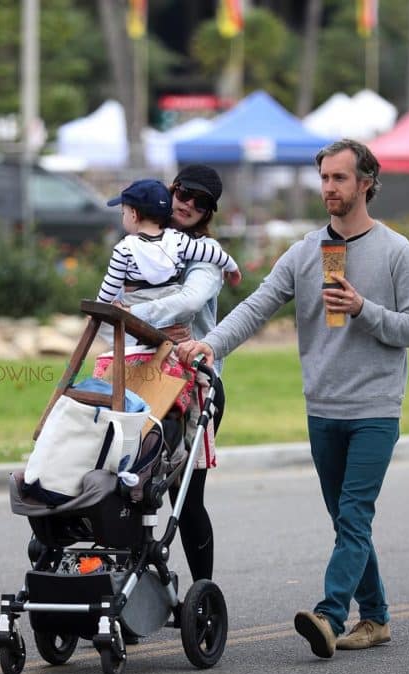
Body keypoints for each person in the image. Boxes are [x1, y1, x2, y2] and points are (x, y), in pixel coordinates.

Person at [177, 140, 409, 658]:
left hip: (375, 410)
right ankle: (377, 617)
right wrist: (211, 343)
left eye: (340, 179)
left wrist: (364, 308)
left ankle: (329, 614)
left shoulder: (396, 251)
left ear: (366, 183)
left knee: (355, 516)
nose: (329, 189)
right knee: (345, 521)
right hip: (323, 407)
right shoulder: (306, 252)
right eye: (325, 179)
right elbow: (257, 305)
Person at [108, 165, 231, 583]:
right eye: (183, 193)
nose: (188, 205)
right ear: (170, 190)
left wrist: (130, 313)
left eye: (201, 203)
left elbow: (189, 301)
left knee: (185, 498)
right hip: (140, 378)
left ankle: (203, 595)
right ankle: (128, 589)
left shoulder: (202, 254)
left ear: (209, 213)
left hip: (193, 385)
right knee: (125, 488)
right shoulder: (141, 244)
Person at [97, 177, 241, 312]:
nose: (189, 204)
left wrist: (97, 310)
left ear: (134, 214)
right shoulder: (178, 240)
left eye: (124, 213)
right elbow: (212, 254)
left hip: (135, 307)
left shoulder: (124, 249)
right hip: (173, 312)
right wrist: (232, 267)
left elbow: (110, 286)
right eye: (185, 195)